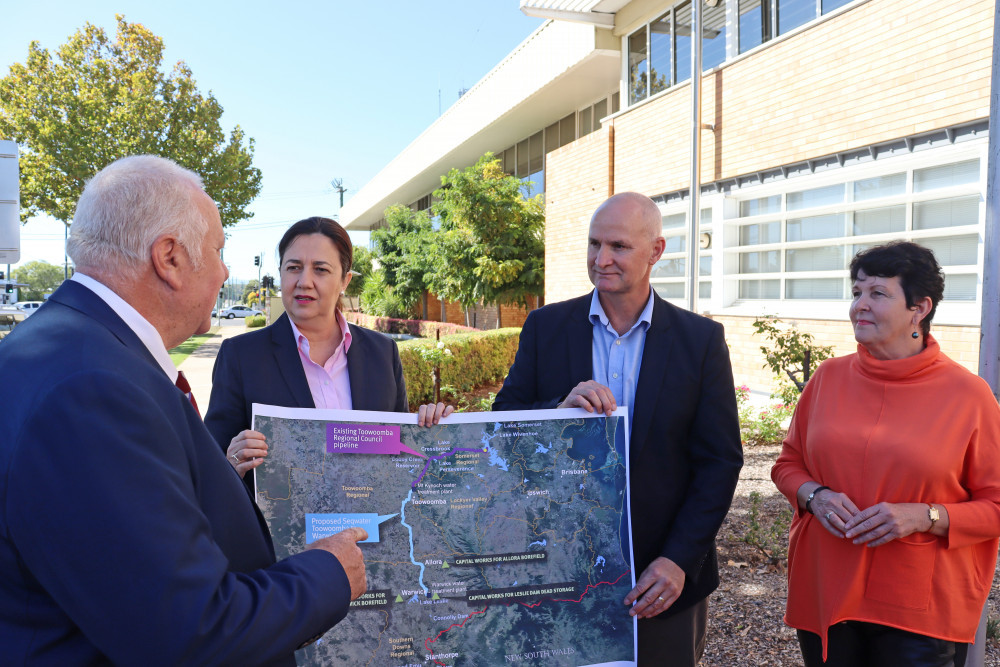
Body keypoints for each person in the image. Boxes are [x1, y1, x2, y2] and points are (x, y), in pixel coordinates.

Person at [0, 156, 368, 664]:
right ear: (169, 257)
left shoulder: (73, 351)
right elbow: (188, 629)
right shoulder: (93, 390)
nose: (224, 271)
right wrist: (326, 575)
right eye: (218, 251)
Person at [493, 191, 743, 665]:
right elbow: (504, 420)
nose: (601, 259)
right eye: (593, 244)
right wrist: (558, 411)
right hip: (560, 567)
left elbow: (719, 462)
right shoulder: (546, 327)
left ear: (656, 251)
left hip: (660, 578)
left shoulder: (700, 340)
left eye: (619, 247)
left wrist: (677, 561)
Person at [771, 241, 1000, 666]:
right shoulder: (827, 378)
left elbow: (996, 504)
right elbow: (788, 464)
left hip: (919, 610)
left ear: (920, 308)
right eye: (857, 292)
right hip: (827, 591)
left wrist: (924, 516)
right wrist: (814, 495)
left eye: (878, 293)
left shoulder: (969, 396)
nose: (860, 304)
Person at [205, 216, 450, 481]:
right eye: (293, 267)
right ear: (281, 273)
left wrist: (427, 432)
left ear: (344, 281)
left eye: (320, 269)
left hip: (368, 522)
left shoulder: (383, 353)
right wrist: (231, 463)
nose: (304, 281)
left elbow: (399, 455)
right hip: (274, 523)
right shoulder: (241, 356)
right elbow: (209, 464)